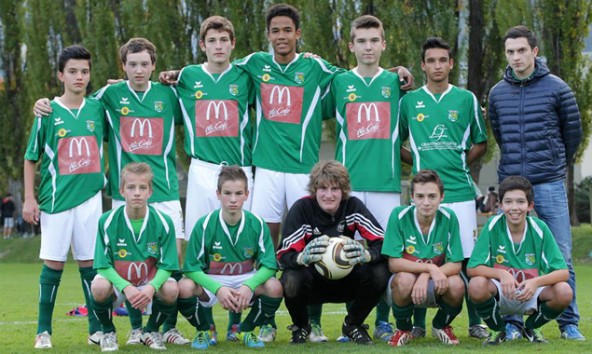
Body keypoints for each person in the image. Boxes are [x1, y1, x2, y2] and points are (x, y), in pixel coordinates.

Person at [34, 37, 189, 345]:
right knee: (127, 261)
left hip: (166, 190)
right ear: (123, 67)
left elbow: (202, 94)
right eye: (132, 64)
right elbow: (74, 103)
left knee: (174, 264)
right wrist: (42, 104)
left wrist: (178, 74)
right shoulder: (109, 96)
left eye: (145, 64)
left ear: (154, 65)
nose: (139, 70)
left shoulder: (169, 95)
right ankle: (134, 329)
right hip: (126, 192)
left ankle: (164, 328)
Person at [159, 16, 255, 343]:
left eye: (223, 40)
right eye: (211, 40)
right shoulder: (188, 76)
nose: (218, 46)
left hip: (241, 170)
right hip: (202, 170)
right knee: (196, 249)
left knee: (241, 247)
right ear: (202, 45)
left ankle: (236, 322)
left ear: (232, 44)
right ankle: (206, 323)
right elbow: (151, 84)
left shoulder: (245, 76)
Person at [488, 25, 584, 341]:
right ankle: (514, 323)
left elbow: (573, 137)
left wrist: (553, 164)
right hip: (512, 186)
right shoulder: (497, 92)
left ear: (534, 51)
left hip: (549, 184)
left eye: (521, 50)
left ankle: (568, 323)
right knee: (509, 258)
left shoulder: (558, 89)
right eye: (510, 51)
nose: (516, 57)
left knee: (562, 257)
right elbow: (500, 135)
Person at [398, 36, 488, 339]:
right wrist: (419, 166)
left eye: (442, 60)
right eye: (431, 61)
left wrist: (461, 163)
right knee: (422, 256)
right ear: (423, 65)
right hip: (424, 195)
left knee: (465, 260)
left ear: (451, 64)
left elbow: (481, 142)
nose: (437, 66)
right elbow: (396, 144)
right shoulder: (409, 102)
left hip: (460, 193)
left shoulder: (466, 99)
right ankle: (420, 324)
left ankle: (475, 322)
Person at [322, 14, 404, 342]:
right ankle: (352, 322)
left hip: (386, 184)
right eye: (361, 41)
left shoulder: (396, 83)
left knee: (384, 257)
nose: (368, 47)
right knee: (347, 257)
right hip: (349, 187)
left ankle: (383, 322)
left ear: (383, 44)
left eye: (374, 41)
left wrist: (402, 72)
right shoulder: (340, 83)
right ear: (351, 46)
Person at [23, 45, 105, 349]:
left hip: (90, 199)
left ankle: (95, 328)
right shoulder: (47, 111)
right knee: (53, 264)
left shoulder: (98, 108)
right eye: (72, 71)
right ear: (61, 75)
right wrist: (29, 198)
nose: (79, 76)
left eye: (84, 71)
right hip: (55, 201)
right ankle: (43, 331)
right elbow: (31, 158)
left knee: (89, 264)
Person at [278, 160, 389, 345]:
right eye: (323, 189)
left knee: (380, 271)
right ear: (315, 190)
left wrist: (368, 254)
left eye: (335, 189)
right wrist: (301, 257)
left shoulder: (352, 206)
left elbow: (384, 244)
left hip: (347, 280)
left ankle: (353, 325)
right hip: (313, 282)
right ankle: (302, 326)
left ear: (343, 191)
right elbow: (282, 256)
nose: (328, 195)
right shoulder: (302, 209)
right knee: (290, 279)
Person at [177, 166, 283, 350]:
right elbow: (191, 268)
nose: (233, 199)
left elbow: (269, 266)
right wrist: (218, 289)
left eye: (238, 193)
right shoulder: (204, 224)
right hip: (212, 280)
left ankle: (246, 329)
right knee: (184, 287)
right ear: (218, 194)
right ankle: (204, 329)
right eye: (227, 193)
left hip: (246, 278)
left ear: (246, 194)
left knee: (274, 286)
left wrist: (248, 285)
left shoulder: (256, 223)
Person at [467, 176, 573, 345]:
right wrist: (501, 273)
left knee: (564, 291)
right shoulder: (493, 225)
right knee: (476, 285)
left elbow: (563, 272)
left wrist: (536, 282)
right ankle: (497, 329)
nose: (514, 207)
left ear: (530, 205)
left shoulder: (539, 228)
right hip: (501, 292)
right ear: (500, 205)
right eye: (508, 202)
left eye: (520, 202)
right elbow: (472, 268)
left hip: (529, 292)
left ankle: (531, 327)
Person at [91, 162, 180, 351]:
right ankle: (108, 332)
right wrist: (126, 287)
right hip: (119, 283)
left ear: (150, 191)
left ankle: (151, 331)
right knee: (98, 287)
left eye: (142, 187)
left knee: (172, 289)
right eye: (131, 187)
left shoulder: (164, 222)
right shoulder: (106, 221)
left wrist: (151, 287)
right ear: (122, 191)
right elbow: (102, 265)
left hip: (149, 283)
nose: (137, 193)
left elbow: (168, 265)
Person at [383, 169, 465, 346]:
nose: (426, 202)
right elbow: (393, 263)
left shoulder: (449, 218)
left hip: (435, 283)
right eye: (420, 196)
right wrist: (429, 268)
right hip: (404, 282)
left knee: (457, 284)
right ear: (412, 196)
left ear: (441, 197)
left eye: (432, 196)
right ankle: (404, 329)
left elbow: (456, 264)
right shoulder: (398, 215)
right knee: (404, 279)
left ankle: (440, 326)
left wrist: (427, 274)